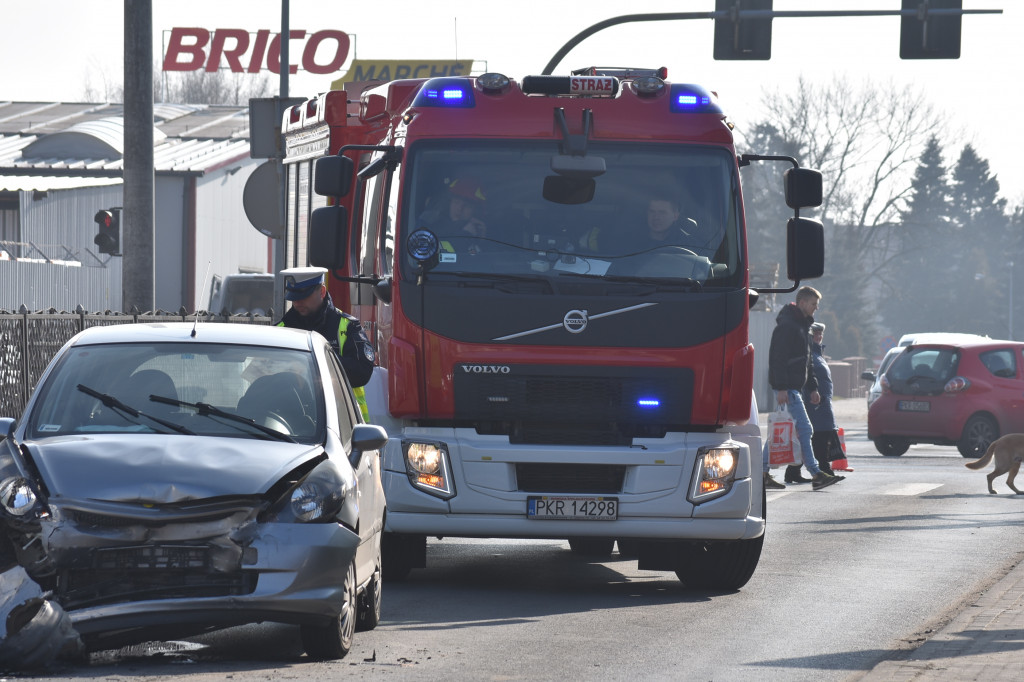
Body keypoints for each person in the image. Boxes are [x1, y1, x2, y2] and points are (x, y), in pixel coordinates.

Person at [762, 286, 842, 491]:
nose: (816, 308)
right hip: (786, 388)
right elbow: (777, 358)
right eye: (814, 304)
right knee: (804, 429)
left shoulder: (802, 326)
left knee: (781, 431)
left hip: (793, 388)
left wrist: (813, 388)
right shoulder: (788, 326)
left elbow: (806, 363)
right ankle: (816, 473)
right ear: (803, 303)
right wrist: (780, 387)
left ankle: (762, 472)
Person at [276, 266, 374, 421]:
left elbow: (361, 373)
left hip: (344, 423)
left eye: (303, 296)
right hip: (289, 420)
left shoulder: (348, 326)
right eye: (293, 298)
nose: (297, 303)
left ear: (322, 292)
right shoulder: (280, 331)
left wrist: (313, 364)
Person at [804, 322, 850, 477]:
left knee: (818, 436)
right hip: (815, 402)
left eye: (820, 334)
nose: (818, 337)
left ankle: (796, 470)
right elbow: (809, 377)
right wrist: (815, 393)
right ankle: (824, 469)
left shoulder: (817, 354)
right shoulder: (809, 354)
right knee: (819, 436)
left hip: (823, 402)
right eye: (815, 334)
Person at [421, 177, 488, 254]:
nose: (459, 209)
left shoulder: (478, 231)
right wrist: (465, 236)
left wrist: (483, 242)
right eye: (456, 202)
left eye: (467, 206)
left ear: (476, 212)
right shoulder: (433, 228)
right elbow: (440, 255)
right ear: (449, 203)